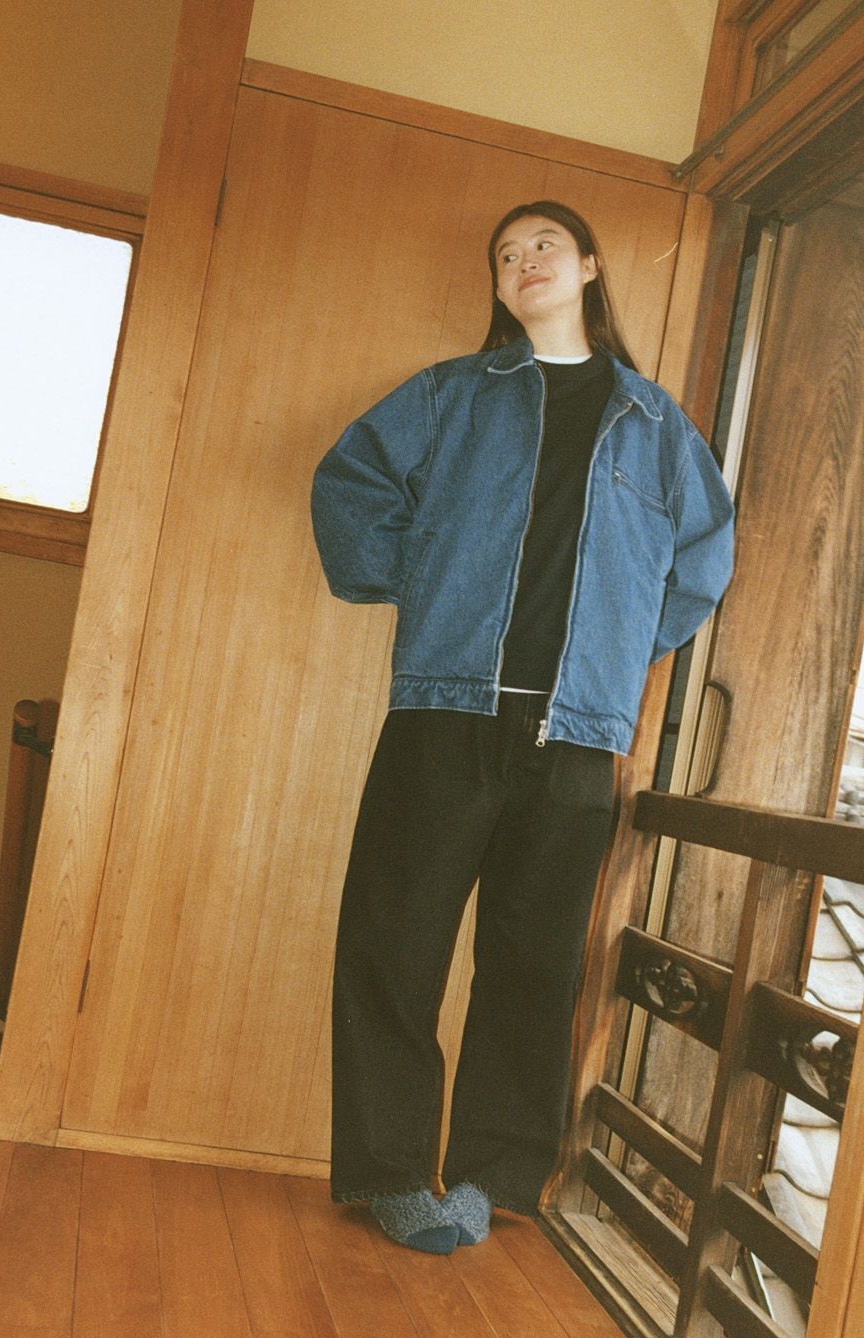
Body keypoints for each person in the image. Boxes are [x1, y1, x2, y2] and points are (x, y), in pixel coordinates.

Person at [311, 200, 734, 1254]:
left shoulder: (653, 423)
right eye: (506, 254)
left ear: (588, 266)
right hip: (444, 713)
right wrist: (418, 580)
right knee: (393, 945)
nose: (524, 260)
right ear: (499, 286)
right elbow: (349, 482)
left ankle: (490, 1178)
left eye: (544, 244)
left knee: (533, 966)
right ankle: (392, 1175)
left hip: (578, 735)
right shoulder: (452, 394)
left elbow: (703, 561)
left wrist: (621, 642)